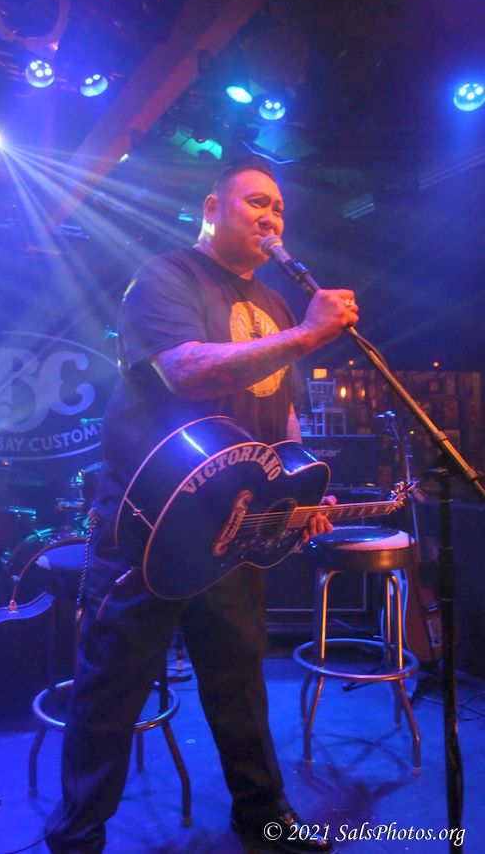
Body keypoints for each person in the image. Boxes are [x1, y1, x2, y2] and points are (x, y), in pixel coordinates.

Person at [46, 156, 359, 853]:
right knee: (110, 693)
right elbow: (184, 370)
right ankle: (76, 840)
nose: (271, 216)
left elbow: (283, 414)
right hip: (147, 525)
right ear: (212, 208)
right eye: (255, 202)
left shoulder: (277, 303)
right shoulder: (167, 276)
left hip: (232, 526)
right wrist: (309, 334)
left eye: (278, 207)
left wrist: (299, 484)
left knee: (240, 683)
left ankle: (265, 819)